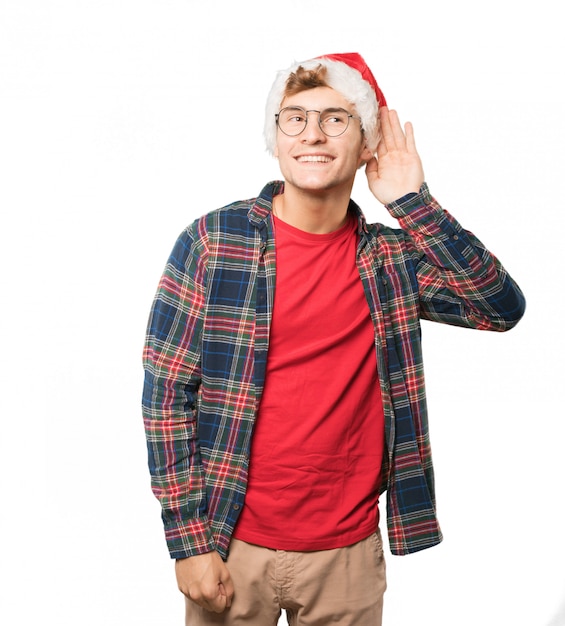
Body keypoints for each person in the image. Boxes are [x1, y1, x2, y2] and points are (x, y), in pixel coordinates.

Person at [142, 52, 525, 625]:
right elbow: (166, 399)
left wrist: (411, 203)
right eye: (294, 118)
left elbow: (498, 306)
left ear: (368, 142)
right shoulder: (215, 241)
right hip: (230, 540)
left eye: (336, 119)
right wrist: (189, 541)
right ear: (276, 136)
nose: (312, 134)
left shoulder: (390, 261)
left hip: (347, 554)